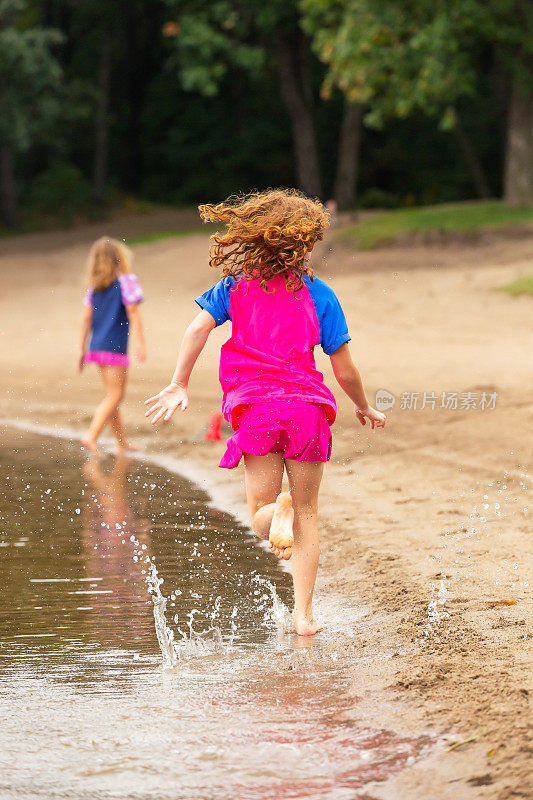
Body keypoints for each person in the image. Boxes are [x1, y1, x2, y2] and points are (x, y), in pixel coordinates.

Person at [144, 189, 385, 636]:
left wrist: (179, 382)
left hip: (256, 410)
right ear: (304, 243)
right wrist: (363, 405)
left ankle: (277, 514)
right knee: (308, 513)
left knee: (264, 510)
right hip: (307, 410)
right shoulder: (320, 294)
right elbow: (345, 368)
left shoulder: (235, 284)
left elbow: (197, 328)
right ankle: (304, 617)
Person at [79, 236, 146, 455]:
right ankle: (91, 436)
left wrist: (82, 349)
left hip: (96, 347)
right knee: (115, 395)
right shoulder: (126, 280)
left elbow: (86, 319)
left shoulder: (95, 287)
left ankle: (121, 443)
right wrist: (141, 344)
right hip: (114, 347)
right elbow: (134, 312)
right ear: (119, 257)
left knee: (112, 395)